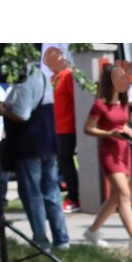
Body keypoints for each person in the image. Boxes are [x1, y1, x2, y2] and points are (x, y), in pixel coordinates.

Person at [2, 48, 71, 251]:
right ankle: (62, 239)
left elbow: (22, 114)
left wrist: (3, 109)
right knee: (51, 192)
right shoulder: (42, 75)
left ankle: (41, 240)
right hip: (48, 143)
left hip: (30, 144)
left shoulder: (26, 79)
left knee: (33, 194)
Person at [82, 65, 132, 251]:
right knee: (124, 194)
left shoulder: (122, 103)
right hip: (109, 152)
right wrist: (109, 133)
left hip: (124, 150)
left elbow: (123, 126)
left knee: (115, 197)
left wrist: (131, 131)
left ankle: (92, 231)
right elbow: (87, 129)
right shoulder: (100, 105)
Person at [53, 63, 79, 213]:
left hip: (67, 127)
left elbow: (77, 100)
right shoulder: (54, 78)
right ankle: (71, 194)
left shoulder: (67, 75)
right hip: (58, 127)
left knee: (65, 161)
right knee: (63, 162)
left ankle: (74, 197)